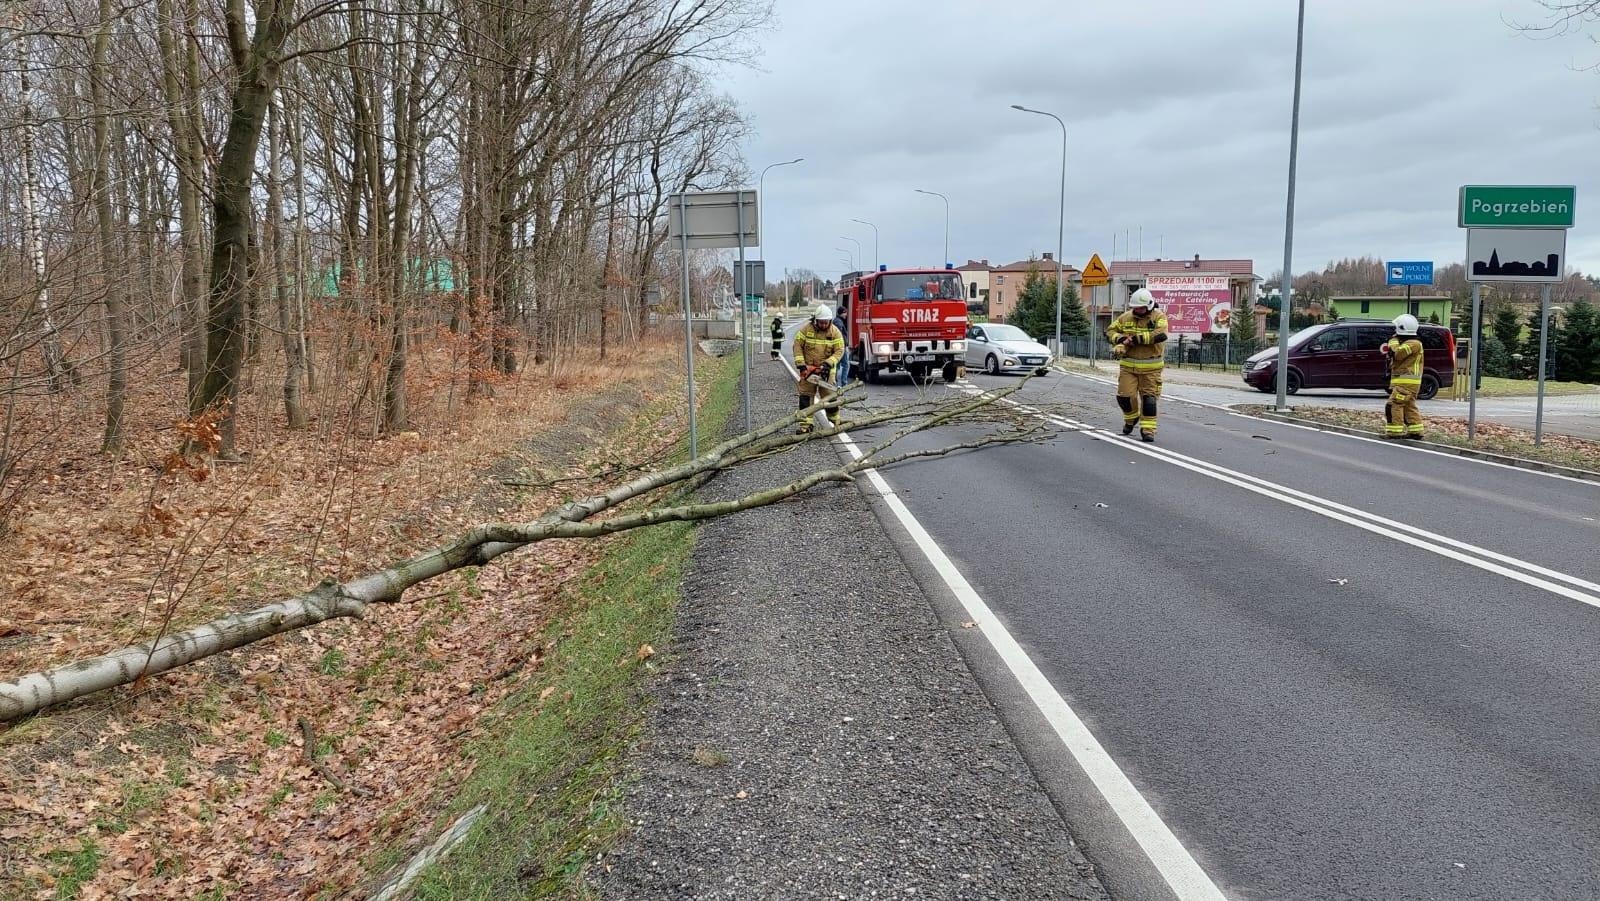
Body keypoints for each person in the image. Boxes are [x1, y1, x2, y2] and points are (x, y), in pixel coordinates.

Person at [1105, 288, 1169, 442]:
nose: (1137, 310)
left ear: (1149, 305)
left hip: (1151, 368)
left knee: (1149, 400)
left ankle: (1148, 430)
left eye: (1140, 308)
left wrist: (1135, 339)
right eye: (1135, 307)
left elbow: (1160, 334)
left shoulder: (1159, 317)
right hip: (1128, 366)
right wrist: (1120, 340)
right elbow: (1110, 331)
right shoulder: (1126, 317)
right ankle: (1131, 419)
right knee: (1124, 397)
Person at [792, 304, 845, 433]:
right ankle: (806, 424)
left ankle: (835, 420)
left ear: (830, 321)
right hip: (809, 370)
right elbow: (797, 345)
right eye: (821, 322)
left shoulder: (835, 332)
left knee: (829, 397)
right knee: (805, 396)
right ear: (815, 320)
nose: (823, 325)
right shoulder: (806, 330)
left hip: (826, 371)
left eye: (825, 322)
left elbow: (840, 350)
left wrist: (828, 364)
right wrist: (801, 365)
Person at [1382, 313, 1425, 440]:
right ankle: (1416, 431)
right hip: (1406, 384)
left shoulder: (1413, 343)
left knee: (1393, 404)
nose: (1394, 331)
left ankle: (1394, 432)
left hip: (1406, 383)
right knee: (1408, 406)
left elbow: (1398, 354)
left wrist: (1393, 343)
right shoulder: (1411, 343)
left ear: (1402, 328)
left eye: (1396, 328)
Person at [833, 305, 852, 386]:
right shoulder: (838, 322)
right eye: (845, 313)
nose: (846, 315)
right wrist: (844, 345)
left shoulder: (837, 321)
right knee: (846, 365)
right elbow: (840, 335)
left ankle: (834, 381)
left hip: (838, 346)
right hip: (841, 347)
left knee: (837, 365)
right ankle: (844, 382)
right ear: (842, 313)